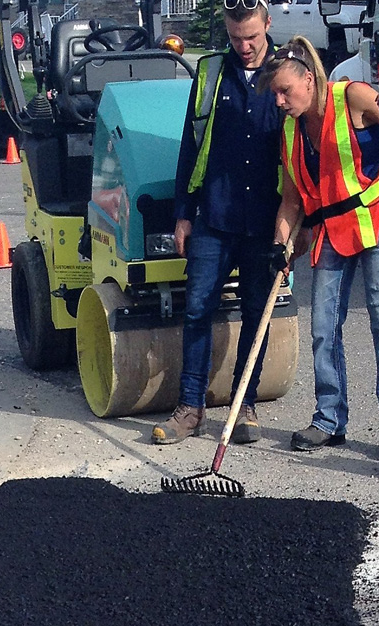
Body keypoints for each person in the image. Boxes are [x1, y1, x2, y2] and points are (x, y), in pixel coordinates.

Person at [261, 36, 379, 451]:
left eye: (285, 90)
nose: (279, 101)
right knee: (323, 328)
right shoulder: (291, 130)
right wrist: (281, 244)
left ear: (309, 80)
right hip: (332, 231)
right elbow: (292, 199)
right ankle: (329, 419)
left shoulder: (351, 95)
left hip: (376, 223)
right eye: (275, 93)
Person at [151, 0, 284, 446]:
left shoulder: (288, 75)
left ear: (268, 24)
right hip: (215, 214)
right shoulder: (210, 74)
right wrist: (183, 214)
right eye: (234, 38)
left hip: (266, 220)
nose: (244, 47)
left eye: (252, 38)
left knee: (255, 312)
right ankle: (190, 407)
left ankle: (242, 404)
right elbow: (190, 147)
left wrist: (301, 224)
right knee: (197, 309)